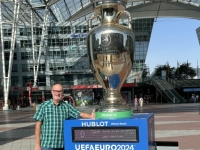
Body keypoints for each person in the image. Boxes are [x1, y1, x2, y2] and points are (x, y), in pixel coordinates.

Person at [33, 84, 95, 150]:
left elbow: (80, 114)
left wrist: (90, 116)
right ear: (52, 92)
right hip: (47, 145)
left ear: (63, 93)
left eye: (60, 91)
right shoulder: (43, 106)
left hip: (62, 145)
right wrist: (37, 145)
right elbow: (38, 126)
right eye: (55, 91)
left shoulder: (67, 106)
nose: (57, 93)